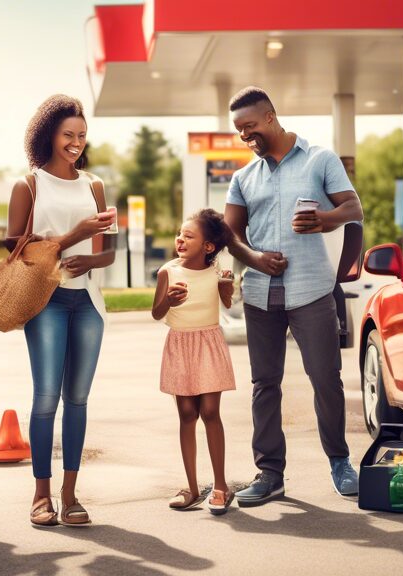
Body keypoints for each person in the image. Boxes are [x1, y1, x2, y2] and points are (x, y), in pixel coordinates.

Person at [223, 86, 365, 506]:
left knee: (326, 379)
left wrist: (324, 220)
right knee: (264, 384)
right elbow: (230, 234)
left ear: (270, 117)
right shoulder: (243, 177)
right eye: (238, 130)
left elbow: (353, 208)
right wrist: (254, 258)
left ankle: (340, 462)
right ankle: (270, 473)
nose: (245, 136)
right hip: (260, 294)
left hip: (312, 290)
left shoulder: (320, 159)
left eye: (249, 126)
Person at [6, 95, 115, 527]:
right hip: (46, 301)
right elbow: (16, 252)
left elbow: (109, 254)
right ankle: (41, 495)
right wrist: (75, 235)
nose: (75, 142)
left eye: (82, 135)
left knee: (79, 399)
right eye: (68, 134)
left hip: (88, 301)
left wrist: (89, 259)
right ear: (48, 134)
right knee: (47, 398)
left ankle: (71, 494)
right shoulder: (28, 185)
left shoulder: (95, 185)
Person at [152, 209, 237, 516]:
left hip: (209, 343)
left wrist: (227, 288)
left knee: (210, 411)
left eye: (189, 236)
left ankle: (220, 486)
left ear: (209, 246)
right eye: (180, 233)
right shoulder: (168, 271)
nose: (180, 239)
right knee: (187, 414)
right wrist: (170, 301)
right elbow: (157, 313)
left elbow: (227, 302)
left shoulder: (217, 273)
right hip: (180, 344)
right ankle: (191, 487)